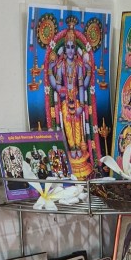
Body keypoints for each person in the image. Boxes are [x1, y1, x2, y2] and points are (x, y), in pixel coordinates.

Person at [48, 29, 93, 177]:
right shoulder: (60, 65)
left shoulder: (79, 65)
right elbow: (56, 85)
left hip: (77, 99)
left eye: (72, 47)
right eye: (67, 47)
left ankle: (79, 148)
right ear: (64, 48)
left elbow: (82, 85)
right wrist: (50, 70)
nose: (70, 50)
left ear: (75, 48)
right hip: (66, 101)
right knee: (68, 126)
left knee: (78, 124)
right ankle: (72, 148)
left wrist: (88, 72)